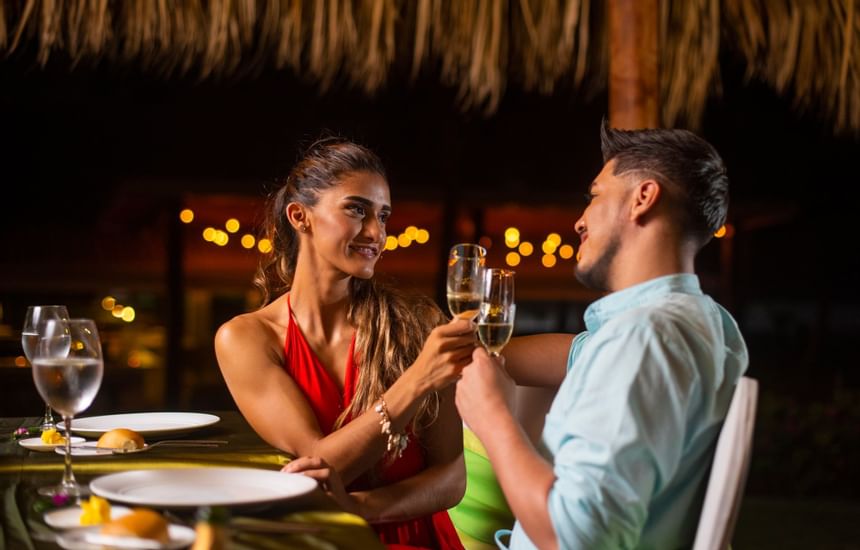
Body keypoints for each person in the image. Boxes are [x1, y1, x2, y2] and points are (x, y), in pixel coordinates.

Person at [455, 124, 749, 549]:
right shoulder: (710, 325)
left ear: (643, 198)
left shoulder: (643, 339)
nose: (579, 220)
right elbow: (580, 355)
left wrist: (492, 415)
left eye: (594, 196)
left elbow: (575, 538)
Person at [215, 136, 475, 549]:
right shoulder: (246, 338)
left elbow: (452, 476)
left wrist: (360, 509)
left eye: (384, 216)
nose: (377, 232)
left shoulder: (418, 323)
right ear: (300, 216)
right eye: (357, 209)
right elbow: (321, 463)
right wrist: (417, 380)